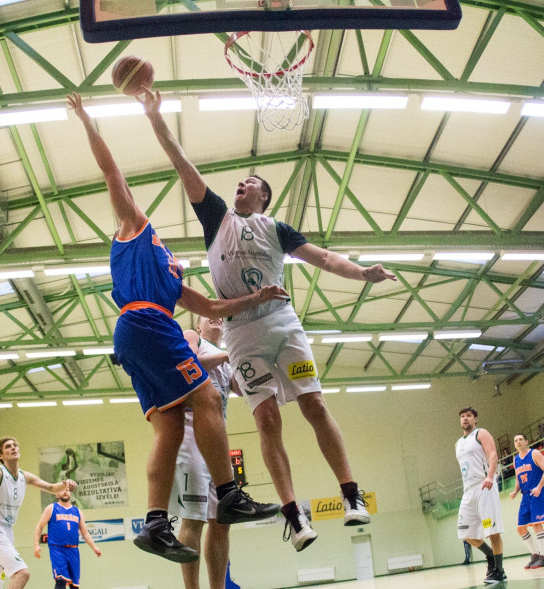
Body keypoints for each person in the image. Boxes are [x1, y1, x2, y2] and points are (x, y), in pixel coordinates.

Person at [141, 88, 396, 551]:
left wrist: (362, 273)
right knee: (266, 421)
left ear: (264, 196)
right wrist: (155, 117)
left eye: (249, 182)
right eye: (239, 181)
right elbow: (182, 164)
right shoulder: (216, 216)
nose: (241, 184)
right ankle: (295, 516)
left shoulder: (276, 228)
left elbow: (323, 258)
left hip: (282, 325)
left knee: (314, 405)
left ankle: (350, 494)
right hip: (242, 335)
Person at [67, 92, 285, 563]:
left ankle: (153, 525)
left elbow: (212, 304)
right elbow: (111, 172)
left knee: (168, 425)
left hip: (135, 332)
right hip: (145, 321)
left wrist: (260, 296)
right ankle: (229, 492)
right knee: (205, 396)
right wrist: (87, 120)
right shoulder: (136, 226)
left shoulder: (171, 274)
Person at [169, 316, 237, 589]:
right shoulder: (192, 338)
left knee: (222, 519)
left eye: (222, 316)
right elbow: (188, 364)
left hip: (217, 439)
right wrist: (228, 355)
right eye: (210, 315)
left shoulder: (225, 356)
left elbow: (244, 389)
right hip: (191, 429)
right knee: (194, 517)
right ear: (199, 326)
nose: (217, 317)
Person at [0, 437, 77, 589]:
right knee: (22, 574)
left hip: (7, 531)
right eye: (8, 446)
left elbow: (51, 488)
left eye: (15, 445)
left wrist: (66, 483)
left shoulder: (24, 476)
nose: (14, 448)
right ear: (1, 455)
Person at [455, 407, 506, 584]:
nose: (465, 419)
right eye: (462, 416)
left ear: (475, 419)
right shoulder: (458, 443)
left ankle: (499, 571)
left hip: (484, 487)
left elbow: (493, 454)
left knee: (492, 531)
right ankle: (491, 556)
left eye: (469, 416)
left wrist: (491, 476)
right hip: (468, 492)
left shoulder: (481, 433)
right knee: (465, 533)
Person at [33, 489, 101, 588]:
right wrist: (36, 545)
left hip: (73, 550)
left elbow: (85, 533)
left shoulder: (78, 511)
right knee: (61, 580)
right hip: (57, 549)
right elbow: (39, 526)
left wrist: (94, 547)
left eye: (67, 490)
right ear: (56, 494)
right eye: (61, 490)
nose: (65, 492)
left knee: (74, 585)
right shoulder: (52, 508)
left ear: (70, 493)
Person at [509, 433, 544, 569]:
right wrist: (515, 491)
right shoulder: (516, 460)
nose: (518, 441)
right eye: (516, 440)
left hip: (536, 491)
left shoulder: (535, 454)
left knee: (536, 524)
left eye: (521, 439)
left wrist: (539, 487)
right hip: (525, 495)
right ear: (514, 445)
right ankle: (535, 555)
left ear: (526, 441)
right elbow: (518, 478)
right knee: (520, 528)